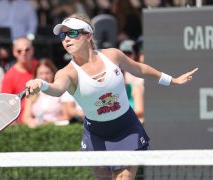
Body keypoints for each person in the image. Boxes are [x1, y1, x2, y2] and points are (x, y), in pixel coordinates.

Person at [25, 14, 198, 180]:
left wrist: (172, 80)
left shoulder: (113, 55)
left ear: (88, 35)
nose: (66, 39)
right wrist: (42, 84)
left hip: (127, 128)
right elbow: (57, 89)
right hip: (96, 134)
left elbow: (140, 69)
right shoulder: (67, 73)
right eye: (63, 35)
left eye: (72, 33)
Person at [0, 36, 38, 124]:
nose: (23, 53)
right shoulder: (9, 76)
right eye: (19, 51)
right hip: (23, 123)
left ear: (32, 50)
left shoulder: (40, 68)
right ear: (14, 52)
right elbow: (6, 105)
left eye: (27, 49)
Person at [22, 58, 69, 128]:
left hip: (56, 128)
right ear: (36, 75)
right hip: (37, 129)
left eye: (47, 73)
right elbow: (26, 117)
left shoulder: (60, 90)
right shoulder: (32, 92)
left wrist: (51, 123)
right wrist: (32, 123)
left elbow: (66, 116)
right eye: (41, 73)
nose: (44, 77)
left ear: (53, 74)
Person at [119, 39, 145, 124]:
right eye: (123, 53)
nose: (126, 56)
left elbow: (139, 110)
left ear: (135, 54)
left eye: (129, 53)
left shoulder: (140, 78)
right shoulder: (118, 73)